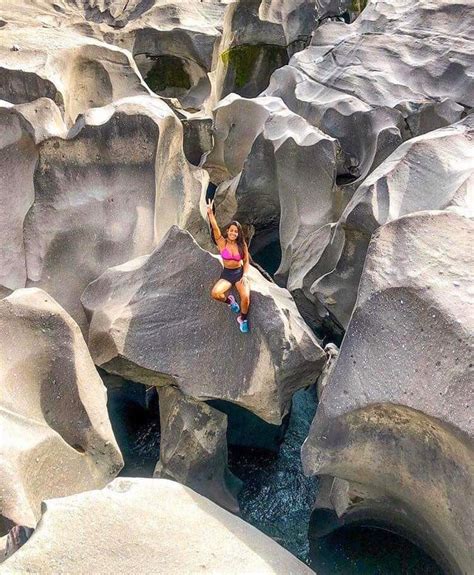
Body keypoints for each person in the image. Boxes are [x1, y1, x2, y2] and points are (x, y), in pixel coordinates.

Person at [206, 198, 250, 333]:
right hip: (227, 274)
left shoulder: (241, 245)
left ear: (238, 234)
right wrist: (210, 214)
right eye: (231, 230)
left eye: (236, 231)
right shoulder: (222, 243)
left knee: (246, 298)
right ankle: (230, 302)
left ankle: (242, 319)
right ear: (228, 231)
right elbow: (215, 228)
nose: (233, 233)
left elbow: (246, 261)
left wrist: (245, 274)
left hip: (238, 273)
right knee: (215, 293)